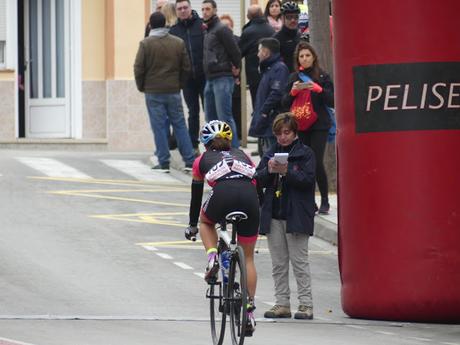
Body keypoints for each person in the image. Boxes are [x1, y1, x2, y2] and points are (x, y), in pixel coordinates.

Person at [185, 120, 259, 334]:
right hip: (249, 199)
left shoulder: (201, 160)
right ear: (230, 140)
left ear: (204, 143)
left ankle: (212, 258)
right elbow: (258, 184)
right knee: (248, 258)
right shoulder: (244, 156)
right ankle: (249, 311)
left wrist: (191, 225)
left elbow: (196, 196)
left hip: (222, 195)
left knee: (206, 222)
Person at [256, 113, 316, 320]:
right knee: (278, 263)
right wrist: (269, 170)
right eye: (279, 133)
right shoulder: (270, 151)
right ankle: (282, 303)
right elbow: (258, 179)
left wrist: (287, 171)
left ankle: (306, 305)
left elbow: (307, 181)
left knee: (299, 262)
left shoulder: (305, 153)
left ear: (294, 132)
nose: (282, 137)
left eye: (286, 133)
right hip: (274, 214)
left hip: (297, 215)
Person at [134, 12, 195, 173]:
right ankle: (189, 160)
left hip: (153, 91)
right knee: (180, 124)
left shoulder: (146, 44)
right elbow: (186, 67)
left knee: (159, 127)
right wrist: (179, 84)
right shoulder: (178, 43)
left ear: (151, 25)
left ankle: (164, 162)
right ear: (165, 23)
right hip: (173, 90)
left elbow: (138, 68)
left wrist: (142, 86)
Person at [282, 41, 334, 214]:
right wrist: (292, 93)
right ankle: (309, 201)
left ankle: (325, 200)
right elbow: (283, 103)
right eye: (301, 56)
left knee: (316, 161)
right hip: (301, 125)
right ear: (298, 60)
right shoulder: (293, 78)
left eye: (307, 56)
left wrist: (319, 90)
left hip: (319, 124)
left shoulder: (323, 76)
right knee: (304, 163)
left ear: (314, 57)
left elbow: (333, 100)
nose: (304, 59)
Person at [201, 0, 241, 148]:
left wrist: (237, 69)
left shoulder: (221, 29)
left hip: (223, 78)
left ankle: (235, 151)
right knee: (210, 120)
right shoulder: (207, 30)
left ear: (215, 10)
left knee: (225, 118)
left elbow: (235, 51)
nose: (205, 12)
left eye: (208, 9)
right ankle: (213, 151)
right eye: (203, 9)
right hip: (210, 79)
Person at [170, 0, 205, 155]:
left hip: (205, 76)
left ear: (190, 8)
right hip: (187, 80)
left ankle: (216, 145)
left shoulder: (202, 25)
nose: (183, 10)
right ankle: (193, 145)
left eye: (185, 7)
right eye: (180, 9)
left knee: (209, 112)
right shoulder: (173, 31)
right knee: (193, 112)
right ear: (176, 11)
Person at [248, 37, 289, 157]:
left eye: (260, 50)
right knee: (265, 158)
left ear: (266, 52)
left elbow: (276, 93)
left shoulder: (279, 68)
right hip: (265, 123)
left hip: (271, 122)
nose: (258, 54)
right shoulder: (268, 69)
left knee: (273, 158)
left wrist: (264, 112)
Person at [238, 5, 275, 107]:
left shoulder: (248, 32)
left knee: (257, 103)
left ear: (249, 16)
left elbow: (239, 52)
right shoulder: (271, 30)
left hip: (254, 74)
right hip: (270, 72)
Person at [219, 14, 242, 141]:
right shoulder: (217, 42)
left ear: (232, 27)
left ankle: (237, 135)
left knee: (236, 108)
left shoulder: (238, 40)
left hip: (236, 81)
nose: (226, 28)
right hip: (222, 80)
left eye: (228, 26)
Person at [273, 1, 301, 73]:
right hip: (284, 78)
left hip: (301, 77)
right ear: (282, 18)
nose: (293, 20)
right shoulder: (276, 39)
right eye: (289, 17)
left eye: (296, 17)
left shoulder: (301, 36)